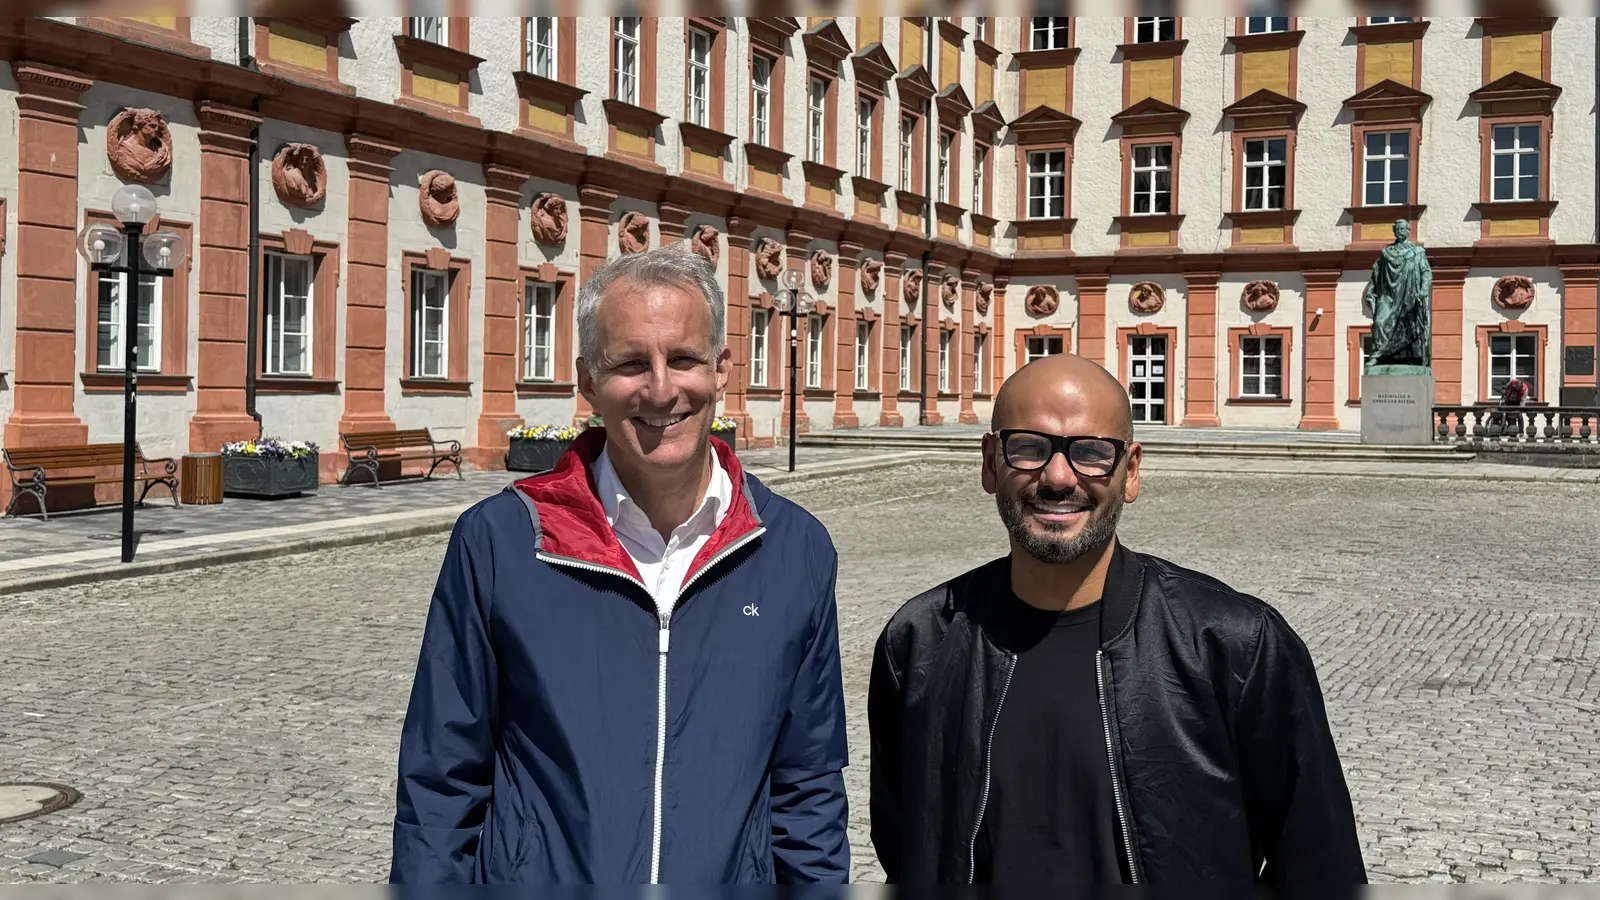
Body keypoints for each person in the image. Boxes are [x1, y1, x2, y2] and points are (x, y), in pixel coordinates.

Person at [391, 246, 850, 884]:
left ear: (722, 369)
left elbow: (808, 789)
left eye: (683, 359)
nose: (661, 390)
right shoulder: (501, 543)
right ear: (587, 381)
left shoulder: (794, 550)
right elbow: (440, 783)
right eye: (631, 363)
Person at [868, 352, 1366, 884]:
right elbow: (908, 847)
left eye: (1091, 452)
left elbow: (1320, 868)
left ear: (1131, 471)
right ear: (991, 463)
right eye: (1028, 448)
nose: (1058, 477)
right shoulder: (919, 643)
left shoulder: (1237, 646)